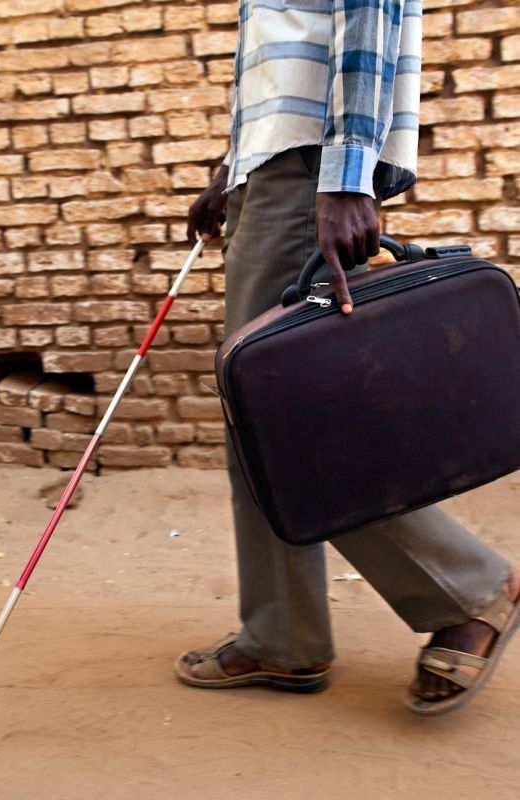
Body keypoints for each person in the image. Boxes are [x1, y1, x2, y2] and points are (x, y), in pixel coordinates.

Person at [176, 0, 520, 715]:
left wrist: (346, 177)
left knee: (280, 425)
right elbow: (288, 51)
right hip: (276, 171)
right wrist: (231, 171)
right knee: (268, 423)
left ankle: (470, 589)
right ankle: (286, 636)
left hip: (310, 176)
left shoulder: (330, 176)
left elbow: (369, 21)